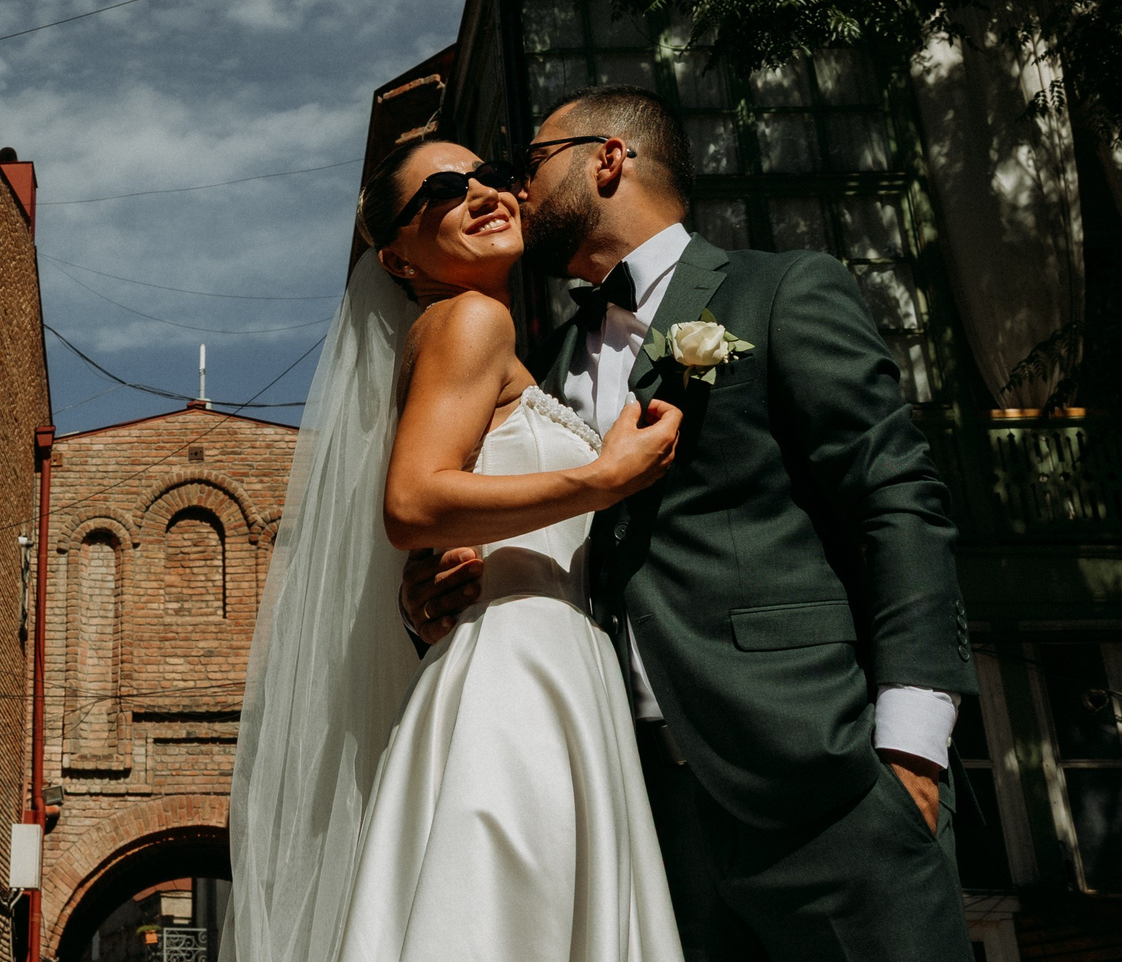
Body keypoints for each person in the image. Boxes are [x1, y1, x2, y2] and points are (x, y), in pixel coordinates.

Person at [401, 87, 977, 962]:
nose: (515, 191)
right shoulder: (538, 367)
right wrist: (443, 592)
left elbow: (896, 502)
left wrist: (911, 751)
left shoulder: (781, 290)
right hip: (637, 810)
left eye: (531, 164)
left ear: (607, 159)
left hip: (818, 783)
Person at [225, 135, 686, 962]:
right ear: (397, 256)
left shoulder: (498, 343)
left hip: (548, 661)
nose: (483, 192)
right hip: (520, 680)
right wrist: (603, 477)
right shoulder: (473, 318)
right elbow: (413, 501)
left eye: (492, 175)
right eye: (443, 187)